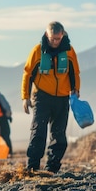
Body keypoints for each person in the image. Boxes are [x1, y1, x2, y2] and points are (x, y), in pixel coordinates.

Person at [21, 21, 81, 173]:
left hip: (62, 97)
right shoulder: (37, 51)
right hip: (42, 96)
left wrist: (76, 90)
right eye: (52, 38)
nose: (55, 42)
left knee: (59, 134)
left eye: (58, 39)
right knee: (38, 132)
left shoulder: (69, 51)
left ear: (62, 35)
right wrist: (25, 97)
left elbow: (74, 72)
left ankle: (51, 168)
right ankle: (32, 167)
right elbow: (27, 74)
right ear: (47, 35)